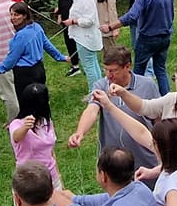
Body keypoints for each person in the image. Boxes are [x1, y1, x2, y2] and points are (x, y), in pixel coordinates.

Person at [65, 45, 161, 173]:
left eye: (114, 70)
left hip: (144, 157)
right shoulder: (101, 86)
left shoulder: (147, 85)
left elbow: (158, 118)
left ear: (127, 66)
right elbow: (91, 110)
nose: (109, 75)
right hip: (113, 160)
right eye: (106, 70)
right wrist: (80, 133)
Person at [117, 59, 177, 145]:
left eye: (175, 78)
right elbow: (143, 107)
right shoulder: (170, 99)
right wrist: (123, 93)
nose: (174, 82)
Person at [121, 0, 176, 94]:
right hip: (165, 36)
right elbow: (171, 14)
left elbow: (132, 16)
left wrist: (113, 25)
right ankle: (166, 98)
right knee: (160, 70)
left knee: (138, 71)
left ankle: (136, 98)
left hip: (147, 38)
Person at [0, 2, 67, 106]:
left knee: (27, 105)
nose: (13, 18)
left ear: (24, 15)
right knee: (41, 102)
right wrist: (60, 57)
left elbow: (13, 57)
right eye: (11, 14)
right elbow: (47, 45)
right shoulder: (37, 27)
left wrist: (1, 69)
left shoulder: (21, 35)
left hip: (25, 74)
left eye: (16, 15)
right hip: (39, 70)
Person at [9, 79, 63, 191]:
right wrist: (25, 127)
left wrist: (58, 177)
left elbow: (51, 152)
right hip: (29, 183)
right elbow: (16, 137)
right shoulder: (17, 124)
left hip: (51, 177)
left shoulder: (46, 122)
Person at [68, 0, 105, 88]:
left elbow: (89, 21)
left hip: (85, 38)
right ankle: (100, 89)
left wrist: (73, 21)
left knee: (89, 66)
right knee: (93, 63)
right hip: (82, 36)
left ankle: (94, 92)